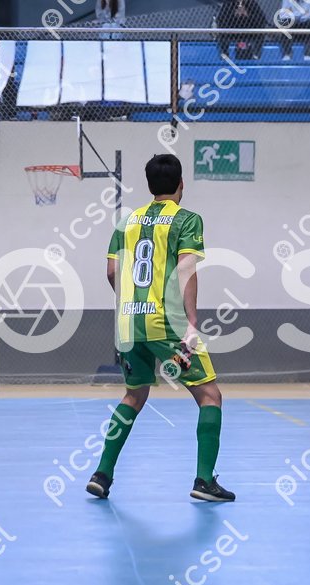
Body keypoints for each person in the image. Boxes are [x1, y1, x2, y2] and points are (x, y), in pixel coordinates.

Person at [86, 154, 235, 502]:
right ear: (181, 184)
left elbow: (111, 272)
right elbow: (185, 270)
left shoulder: (126, 222)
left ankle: (102, 474)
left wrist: (130, 306)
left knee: (134, 395)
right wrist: (191, 323)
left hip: (128, 323)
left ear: (149, 185)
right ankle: (204, 481)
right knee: (210, 396)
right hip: (167, 322)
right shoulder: (187, 219)